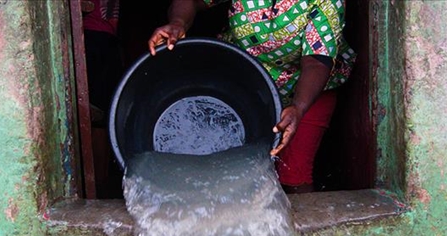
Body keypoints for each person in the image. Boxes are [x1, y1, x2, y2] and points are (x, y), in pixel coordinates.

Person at [148, 0, 355, 194]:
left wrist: (298, 108)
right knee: (228, 167)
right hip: (243, 82)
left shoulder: (325, 2)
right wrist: (178, 23)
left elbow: (316, 63)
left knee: (294, 176)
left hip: (304, 93)